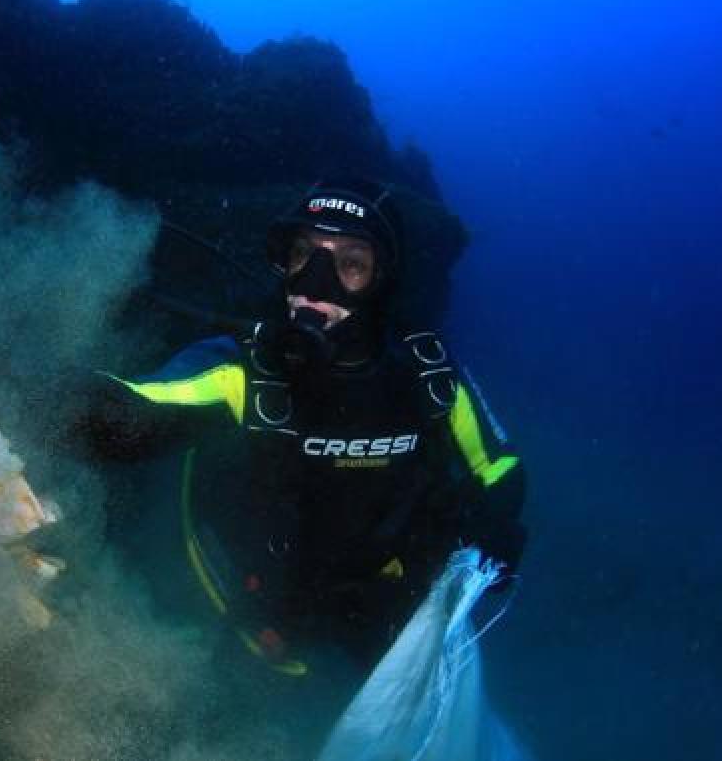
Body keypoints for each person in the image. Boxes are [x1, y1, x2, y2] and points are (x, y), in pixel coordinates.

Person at [67, 179, 527, 686]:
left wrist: (496, 525)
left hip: (389, 602)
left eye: (350, 264)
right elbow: (131, 416)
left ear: (381, 281)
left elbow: (499, 464)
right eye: (303, 255)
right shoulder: (242, 370)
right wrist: (32, 386)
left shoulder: (428, 374)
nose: (314, 282)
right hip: (259, 614)